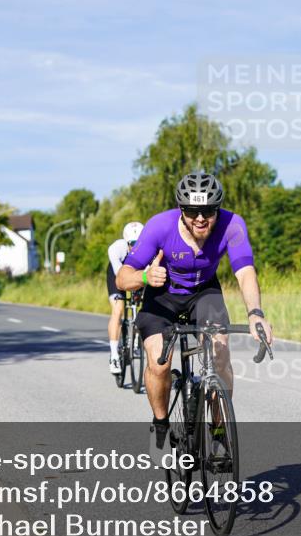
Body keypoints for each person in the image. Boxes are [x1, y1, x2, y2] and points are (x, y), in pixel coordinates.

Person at [116, 172, 273, 448]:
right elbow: (123, 277)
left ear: (218, 209)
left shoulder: (232, 225)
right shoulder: (159, 226)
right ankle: (161, 425)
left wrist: (255, 314)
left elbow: (245, 272)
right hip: (163, 294)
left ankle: (219, 433)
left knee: (220, 355)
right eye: (191, 211)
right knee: (159, 363)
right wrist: (145, 277)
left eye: (208, 211)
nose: (200, 219)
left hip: (204, 293)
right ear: (181, 209)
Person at [106, 221, 145, 375]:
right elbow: (120, 278)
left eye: (140, 244)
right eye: (133, 244)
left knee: (147, 304)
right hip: (118, 274)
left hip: (138, 273)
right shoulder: (116, 249)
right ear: (126, 242)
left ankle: (136, 339)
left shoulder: (150, 248)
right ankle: (114, 356)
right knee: (118, 310)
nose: (136, 248)